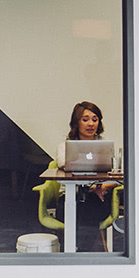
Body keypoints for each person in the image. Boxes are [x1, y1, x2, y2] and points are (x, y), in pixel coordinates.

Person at [55, 101, 117, 251]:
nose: (91, 124)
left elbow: (116, 173)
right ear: (76, 123)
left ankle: (79, 252)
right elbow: (63, 162)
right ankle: (74, 251)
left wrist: (103, 186)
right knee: (73, 210)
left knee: (89, 209)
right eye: (85, 119)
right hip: (71, 196)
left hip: (97, 197)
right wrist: (89, 187)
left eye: (95, 120)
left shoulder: (105, 146)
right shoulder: (65, 146)